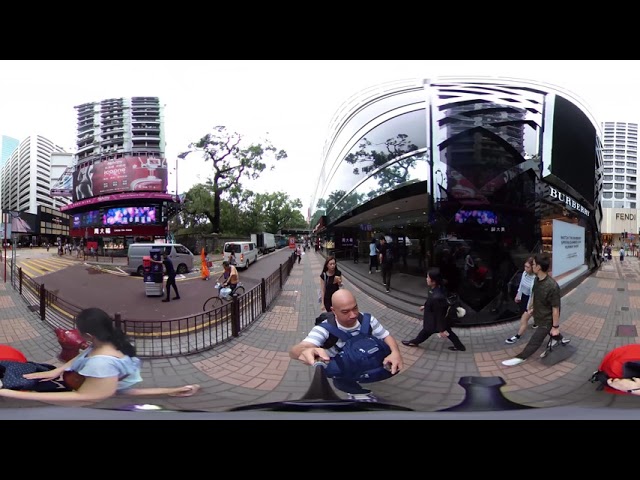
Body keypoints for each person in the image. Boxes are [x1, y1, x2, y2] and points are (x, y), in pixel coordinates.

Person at [0, 308, 200, 406]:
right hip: (75, 379)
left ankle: (177, 391)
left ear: (90, 335)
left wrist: (9, 394)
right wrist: (58, 369)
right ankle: (177, 391)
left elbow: (83, 397)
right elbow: (86, 357)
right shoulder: (108, 340)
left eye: (78, 331)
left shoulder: (101, 365)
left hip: (76, 391)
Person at [289, 289, 403, 401]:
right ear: (333, 310)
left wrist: (395, 353)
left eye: (355, 308)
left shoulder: (368, 319)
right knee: (334, 372)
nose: (353, 315)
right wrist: (304, 351)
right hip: (343, 365)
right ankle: (355, 392)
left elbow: (386, 336)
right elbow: (296, 350)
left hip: (364, 357)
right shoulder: (323, 329)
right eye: (345, 311)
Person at [502, 253, 570, 366]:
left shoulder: (552, 286)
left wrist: (555, 326)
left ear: (538, 267)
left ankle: (521, 357)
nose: (531, 266)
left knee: (536, 340)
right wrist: (532, 307)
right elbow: (534, 294)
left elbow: (555, 309)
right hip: (539, 315)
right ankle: (559, 339)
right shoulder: (536, 280)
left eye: (533, 264)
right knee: (551, 332)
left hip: (547, 320)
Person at [401, 268, 467, 351]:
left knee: (427, 331)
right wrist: (425, 306)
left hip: (434, 319)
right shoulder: (437, 288)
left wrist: (441, 329)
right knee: (448, 332)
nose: (426, 279)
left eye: (428, 278)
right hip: (436, 317)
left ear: (434, 281)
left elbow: (440, 314)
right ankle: (460, 346)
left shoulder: (437, 297)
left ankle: (414, 342)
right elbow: (431, 301)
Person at [505, 257, 538, 344]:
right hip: (524, 296)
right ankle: (536, 322)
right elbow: (521, 285)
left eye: (527, 267)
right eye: (525, 266)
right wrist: (518, 295)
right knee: (531, 314)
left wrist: (529, 307)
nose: (525, 269)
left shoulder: (536, 278)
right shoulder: (524, 273)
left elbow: (533, 294)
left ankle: (517, 336)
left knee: (524, 319)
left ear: (532, 267)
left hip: (532, 300)